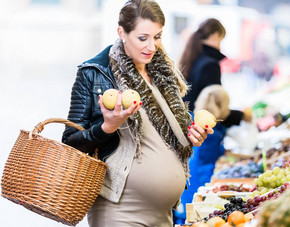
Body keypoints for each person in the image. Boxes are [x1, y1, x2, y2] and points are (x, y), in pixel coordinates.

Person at [62, 0, 213, 226]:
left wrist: (193, 137)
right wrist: (107, 127)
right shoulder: (95, 73)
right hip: (120, 212)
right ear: (122, 33)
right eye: (143, 38)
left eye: (157, 37)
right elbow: (70, 144)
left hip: (164, 214)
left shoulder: (164, 75)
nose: (151, 46)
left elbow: (169, 140)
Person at [174, 85, 252, 224]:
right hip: (197, 182)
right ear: (224, 109)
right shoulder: (211, 132)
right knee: (193, 218)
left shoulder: (192, 120)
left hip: (184, 180)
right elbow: (208, 162)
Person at [179, 18, 227, 112]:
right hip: (200, 122)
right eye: (221, 40)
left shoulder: (191, 57)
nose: (220, 47)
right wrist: (241, 116)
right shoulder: (211, 65)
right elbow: (214, 106)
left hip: (187, 119)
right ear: (215, 36)